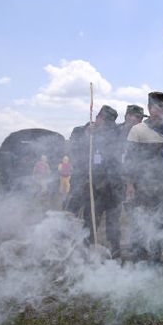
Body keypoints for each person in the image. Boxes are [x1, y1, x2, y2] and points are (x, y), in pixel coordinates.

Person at [124, 92, 163, 264]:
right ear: (150, 108)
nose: (162, 110)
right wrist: (130, 184)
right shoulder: (138, 130)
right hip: (143, 186)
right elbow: (130, 160)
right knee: (141, 220)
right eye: (159, 107)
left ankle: (157, 258)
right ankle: (138, 259)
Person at [68, 105, 122, 255]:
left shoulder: (112, 133)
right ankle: (66, 244)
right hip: (81, 181)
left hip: (106, 184)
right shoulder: (80, 131)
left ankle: (108, 248)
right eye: (105, 122)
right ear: (99, 118)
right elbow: (73, 149)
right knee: (71, 213)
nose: (107, 127)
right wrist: (87, 134)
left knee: (100, 217)